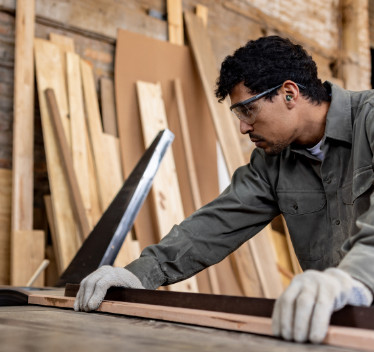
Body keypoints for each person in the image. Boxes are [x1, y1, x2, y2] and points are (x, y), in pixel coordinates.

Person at [74, 36, 374, 344]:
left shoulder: (370, 119)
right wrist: (140, 274)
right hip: (339, 329)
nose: (243, 128)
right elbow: (217, 223)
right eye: (238, 114)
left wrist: (351, 280)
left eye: (248, 110)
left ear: (288, 93)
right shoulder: (271, 163)